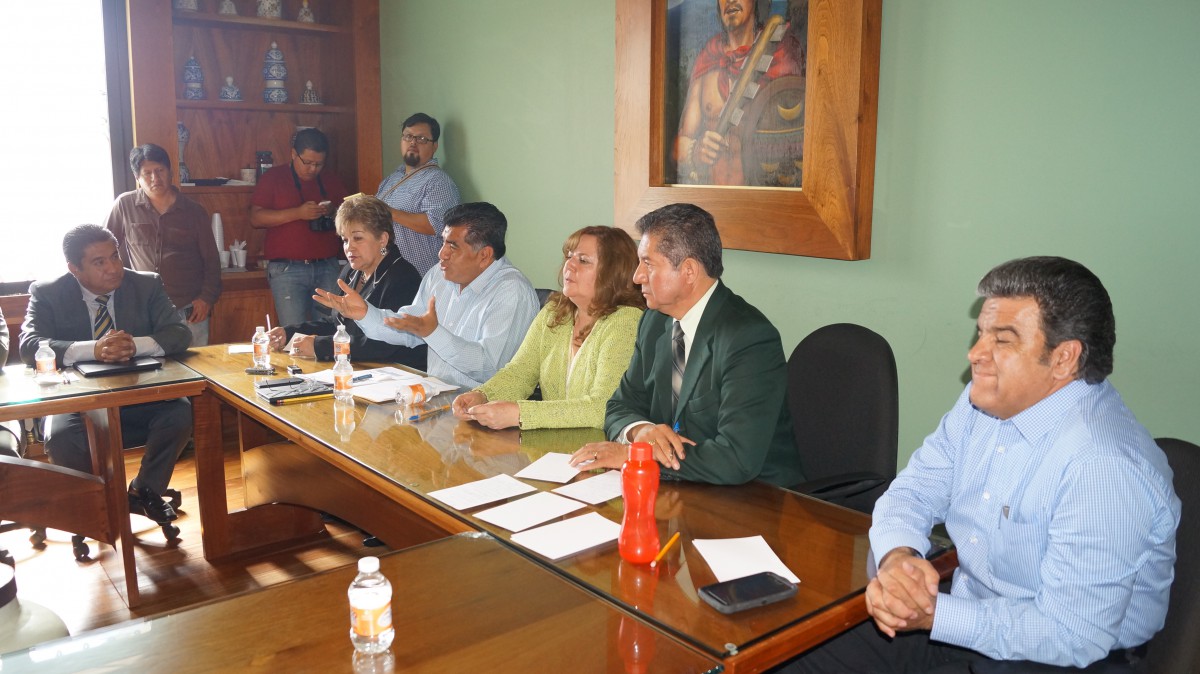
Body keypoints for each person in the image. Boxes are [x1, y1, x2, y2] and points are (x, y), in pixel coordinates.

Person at [789, 257, 1180, 672]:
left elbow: (1072, 633)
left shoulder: (1103, 467)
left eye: (1002, 340)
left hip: (1056, 658)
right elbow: (913, 490)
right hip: (966, 622)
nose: (975, 354)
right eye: (981, 334)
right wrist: (899, 558)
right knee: (793, 655)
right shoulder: (983, 404)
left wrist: (934, 615)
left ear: (1064, 358)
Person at [569, 203, 802, 487]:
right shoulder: (654, 322)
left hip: (756, 496)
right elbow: (620, 405)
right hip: (683, 487)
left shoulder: (749, 338)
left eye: (648, 264)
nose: (637, 276)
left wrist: (636, 455)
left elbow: (736, 458)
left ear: (689, 271)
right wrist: (641, 431)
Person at [18, 225, 193, 525]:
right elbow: (29, 345)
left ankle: (144, 491)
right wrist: (94, 349)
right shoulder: (48, 293)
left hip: (138, 396)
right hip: (76, 402)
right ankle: (95, 502)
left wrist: (133, 345)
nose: (113, 268)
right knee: (60, 437)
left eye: (115, 256)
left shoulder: (146, 284)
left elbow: (179, 333)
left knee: (180, 413)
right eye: (99, 262)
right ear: (74, 268)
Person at [314, 202, 539, 390]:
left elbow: (489, 368)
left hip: (487, 412)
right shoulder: (439, 275)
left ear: (484, 255)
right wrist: (365, 313)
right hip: (437, 397)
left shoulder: (511, 291)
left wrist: (433, 332)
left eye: (453, 246)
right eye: (443, 242)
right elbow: (409, 327)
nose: (442, 253)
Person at [452, 226, 645, 430]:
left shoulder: (626, 321)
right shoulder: (555, 311)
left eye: (583, 260)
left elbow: (603, 408)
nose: (569, 265)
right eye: (569, 256)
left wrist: (520, 414)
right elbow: (520, 372)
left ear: (614, 272)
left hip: (604, 445)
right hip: (554, 443)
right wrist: (483, 395)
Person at [265, 194, 425, 369]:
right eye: (345, 240)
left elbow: (386, 345)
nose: (349, 247)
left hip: (398, 372)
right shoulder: (351, 271)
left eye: (358, 238)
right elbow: (338, 324)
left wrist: (320, 346)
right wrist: (290, 332)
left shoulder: (403, 277)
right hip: (357, 367)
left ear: (382, 239)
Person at [674, 0, 805, 186]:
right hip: (714, 197)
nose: (730, 1)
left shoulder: (784, 56)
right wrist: (694, 151)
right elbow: (679, 145)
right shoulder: (707, 59)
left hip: (763, 197)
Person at [106, 143, 222, 346]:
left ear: (171, 172)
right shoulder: (124, 205)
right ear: (137, 177)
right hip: (142, 307)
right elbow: (105, 248)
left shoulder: (194, 211)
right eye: (147, 173)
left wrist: (206, 298)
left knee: (195, 363)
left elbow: (212, 260)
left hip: (188, 308)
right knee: (148, 363)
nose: (155, 178)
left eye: (160, 170)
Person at [251, 127, 350, 326]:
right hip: (287, 269)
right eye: (307, 162)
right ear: (293, 154)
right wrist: (298, 213)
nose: (313, 169)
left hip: (327, 267)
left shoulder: (331, 180)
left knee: (330, 329)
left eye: (319, 164)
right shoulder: (273, 177)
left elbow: (350, 217)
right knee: (293, 332)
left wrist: (333, 212)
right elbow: (256, 218)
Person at [374, 112, 462, 275]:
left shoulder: (438, 180)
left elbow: (436, 225)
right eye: (408, 136)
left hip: (420, 275)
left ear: (434, 146)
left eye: (421, 139)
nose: (413, 142)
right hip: (387, 271)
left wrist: (390, 212)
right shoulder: (392, 179)